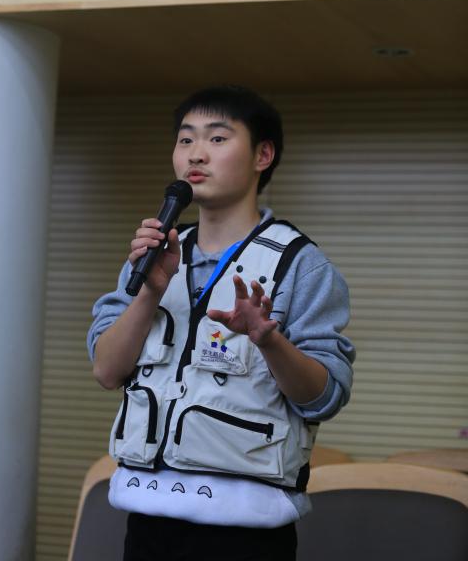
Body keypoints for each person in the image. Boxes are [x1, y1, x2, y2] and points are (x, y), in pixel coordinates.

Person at [87, 85, 355, 561]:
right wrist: (150, 292)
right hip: (146, 519)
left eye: (217, 138)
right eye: (185, 139)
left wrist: (269, 341)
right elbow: (107, 371)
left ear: (262, 156)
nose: (196, 154)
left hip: (245, 531)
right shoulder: (152, 254)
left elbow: (325, 396)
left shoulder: (300, 265)